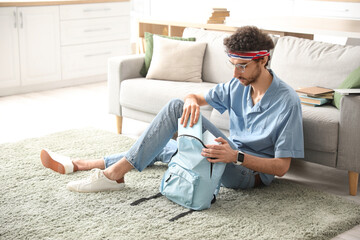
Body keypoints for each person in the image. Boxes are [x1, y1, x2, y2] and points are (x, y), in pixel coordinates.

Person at [40, 26, 304, 193]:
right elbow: (195, 97)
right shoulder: (237, 86)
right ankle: (79, 164)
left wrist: (235, 157)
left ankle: (112, 175)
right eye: (232, 65)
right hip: (228, 153)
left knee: (172, 123)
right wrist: (191, 99)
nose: (235, 73)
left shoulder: (287, 101)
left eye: (242, 66)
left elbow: (281, 168)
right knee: (165, 145)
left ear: (264, 60)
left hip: (248, 173)